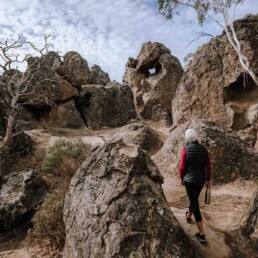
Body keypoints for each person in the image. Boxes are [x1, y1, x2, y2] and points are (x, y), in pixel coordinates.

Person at [179, 129, 211, 243]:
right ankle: (188, 215)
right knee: (194, 198)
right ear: (196, 137)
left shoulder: (185, 149)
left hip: (189, 180)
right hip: (201, 179)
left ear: (187, 138)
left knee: (195, 202)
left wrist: (181, 178)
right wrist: (208, 179)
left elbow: (182, 167)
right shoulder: (204, 149)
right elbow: (208, 166)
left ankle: (201, 234)